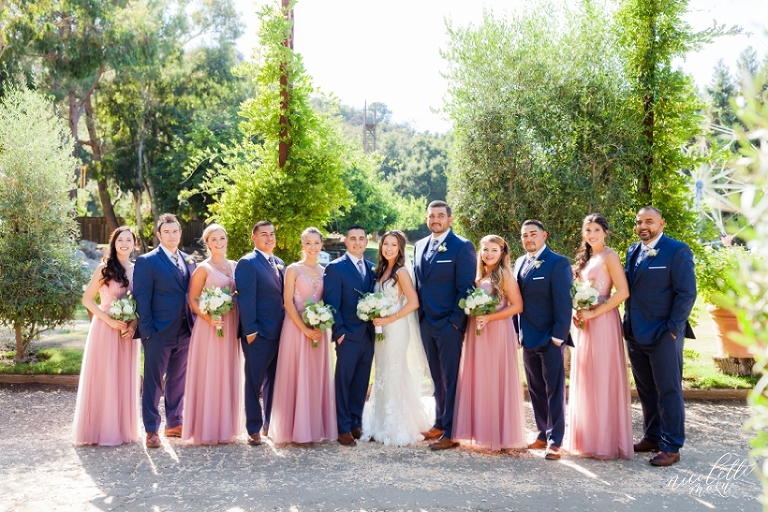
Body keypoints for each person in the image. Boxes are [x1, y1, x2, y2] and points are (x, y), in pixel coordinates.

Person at [623, 206, 696, 467]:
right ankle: (652, 436)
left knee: (669, 390)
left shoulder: (677, 251)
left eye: (649, 221)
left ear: (661, 223)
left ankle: (671, 446)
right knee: (646, 390)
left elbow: (687, 293)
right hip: (634, 333)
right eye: (639, 221)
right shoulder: (632, 251)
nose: (643, 226)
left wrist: (673, 329)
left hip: (664, 334)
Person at [565, 214, 633, 460]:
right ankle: (586, 439)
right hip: (584, 324)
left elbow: (623, 291)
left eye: (596, 230)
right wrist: (578, 311)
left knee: (602, 377)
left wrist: (595, 313)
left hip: (603, 321)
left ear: (605, 232)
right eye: (587, 230)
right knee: (586, 376)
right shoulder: (586, 259)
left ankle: (605, 442)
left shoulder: (610, 256)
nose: (591, 234)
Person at [413, 201, 477, 450]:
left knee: (451, 378)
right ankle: (439, 422)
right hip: (426, 321)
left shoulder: (462, 247)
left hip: (449, 324)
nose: (435, 220)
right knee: (435, 377)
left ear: (450, 219)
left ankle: (451, 432)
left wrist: (455, 323)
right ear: (427, 219)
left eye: (440, 216)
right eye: (431, 216)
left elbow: (465, 288)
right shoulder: (419, 246)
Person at [453, 235, 526, 451]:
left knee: (495, 378)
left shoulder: (504, 275)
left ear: (502, 252)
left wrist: (490, 317)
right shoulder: (480, 276)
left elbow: (517, 306)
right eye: (485, 249)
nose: (488, 254)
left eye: (493, 250)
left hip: (497, 331)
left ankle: (499, 435)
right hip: (478, 333)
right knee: (480, 378)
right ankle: (481, 431)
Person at [363, 230, 434, 446]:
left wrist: (390, 318)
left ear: (400, 248)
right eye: (386, 244)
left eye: (393, 245)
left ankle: (397, 425)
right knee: (383, 371)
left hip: (396, 327)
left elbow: (413, 302)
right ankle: (381, 422)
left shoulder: (401, 272)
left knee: (394, 371)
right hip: (381, 329)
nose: (388, 248)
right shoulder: (382, 271)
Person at [73, 227, 140, 446]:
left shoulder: (138, 269)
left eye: (128, 239)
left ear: (134, 244)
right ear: (114, 243)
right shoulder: (104, 268)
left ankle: (122, 430)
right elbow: (87, 299)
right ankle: (99, 431)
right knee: (106, 376)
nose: (124, 243)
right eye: (120, 239)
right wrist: (109, 320)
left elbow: (141, 303)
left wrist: (133, 324)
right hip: (105, 329)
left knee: (122, 377)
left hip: (127, 332)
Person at [134, 214, 197, 448]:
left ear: (180, 233)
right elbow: (142, 299)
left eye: (175, 231)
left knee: (177, 380)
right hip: (158, 333)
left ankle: (174, 422)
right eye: (167, 232)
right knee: (153, 382)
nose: (172, 235)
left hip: (185, 330)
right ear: (159, 235)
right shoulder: (147, 261)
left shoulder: (189, 261)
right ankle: (151, 429)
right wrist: (148, 331)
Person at [270, 227, 337, 444]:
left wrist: (321, 322)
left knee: (315, 376)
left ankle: (313, 428)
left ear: (321, 245)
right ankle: (294, 430)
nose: (312, 247)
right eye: (308, 243)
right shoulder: (293, 269)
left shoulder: (324, 270)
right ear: (302, 245)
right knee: (297, 374)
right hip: (296, 329)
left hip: (319, 330)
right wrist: (305, 329)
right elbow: (287, 302)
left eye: (316, 243)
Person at [515, 219, 572, 460]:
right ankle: (541, 433)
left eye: (533, 234)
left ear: (544, 235)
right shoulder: (519, 263)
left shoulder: (558, 263)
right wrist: (518, 332)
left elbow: (563, 302)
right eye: (524, 235)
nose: (528, 239)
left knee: (554, 390)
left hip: (550, 338)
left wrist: (559, 337)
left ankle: (555, 440)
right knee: (536, 389)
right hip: (528, 338)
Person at [182, 224, 243, 445]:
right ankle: (206, 429)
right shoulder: (203, 268)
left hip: (230, 325)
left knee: (226, 371)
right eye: (214, 239)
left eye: (222, 238)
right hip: (209, 327)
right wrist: (208, 317)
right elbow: (193, 299)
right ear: (207, 243)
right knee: (210, 372)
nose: (219, 242)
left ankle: (224, 427)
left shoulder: (235, 265)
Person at [323, 225, 376, 447]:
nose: (357, 242)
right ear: (346, 241)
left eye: (361, 238)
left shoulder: (373, 268)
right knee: (343, 382)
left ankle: (356, 422)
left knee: (361, 381)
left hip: (368, 335)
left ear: (366, 241)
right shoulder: (335, 268)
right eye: (352, 238)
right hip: (348, 335)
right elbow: (331, 304)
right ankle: (342, 427)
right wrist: (339, 333)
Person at [235, 221, 286, 446]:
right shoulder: (248, 263)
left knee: (275, 381)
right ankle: (253, 428)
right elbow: (246, 299)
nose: (269, 238)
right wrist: (251, 331)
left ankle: (269, 425)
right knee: (254, 382)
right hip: (259, 333)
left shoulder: (279, 263)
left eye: (272, 234)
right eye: (264, 234)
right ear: (253, 237)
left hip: (280, 332)